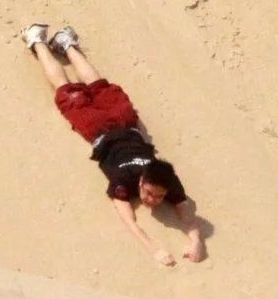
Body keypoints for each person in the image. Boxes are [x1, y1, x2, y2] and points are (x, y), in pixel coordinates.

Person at [19, 23, 205, 267]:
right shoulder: (124, 177)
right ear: (141, 181)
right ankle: (43, 42)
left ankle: (56, 43)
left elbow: (187, 215)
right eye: (150, 193)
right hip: (119, 123)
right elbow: (129, 220)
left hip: (107, 126)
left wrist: (196, 241)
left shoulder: (166, 180)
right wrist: (155, 250)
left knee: (83, 90)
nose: (152, 200)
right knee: (81, 86)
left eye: (158, 197)